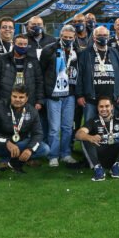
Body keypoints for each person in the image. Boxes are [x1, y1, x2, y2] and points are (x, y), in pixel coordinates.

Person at [0, 85, 50, 181]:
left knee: (44, 149)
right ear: (10, 96)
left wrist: (30, 149)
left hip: (19, 146)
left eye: (21, 97)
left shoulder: (32, 111)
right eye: (14, 96)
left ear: (27, 98)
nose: (17, 99)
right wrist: (6, 142)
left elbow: (38, 134)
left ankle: (14, 162)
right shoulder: (0, 108)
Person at [39, 25, 80, 166]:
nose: (68, 40)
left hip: (70, 94)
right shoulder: (48, 50)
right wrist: (44, 93)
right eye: (65, 37)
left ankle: (66, 154)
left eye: (70, 37)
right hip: (53, 95)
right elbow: (41, 72)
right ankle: (53, 155)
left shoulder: (77, 51)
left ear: (74, 37)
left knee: (68, 127)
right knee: (54, 128)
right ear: (60, 36)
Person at [75, 95, 119, 181]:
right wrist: (90, 137)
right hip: (99, 155)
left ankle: (117, 167)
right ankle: (98, 169)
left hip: (116, 155)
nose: (104, 109)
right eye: (101, 106)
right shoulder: (93, 121)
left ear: (112, 107)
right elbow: (78, 134)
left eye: (107, 106)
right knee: (85, 139)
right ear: (97, 108)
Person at [76, 26, 119, 123]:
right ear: (94, 37)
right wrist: (79, 95)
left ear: (108, 37)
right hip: (91, 99)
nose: (103, 37)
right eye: (99, 35)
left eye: (105, 35)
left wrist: (118, 93)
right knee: (90, 126)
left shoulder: (115, 53)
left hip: (111, 99)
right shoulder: (85, 53)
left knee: (111, 125)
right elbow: (79, 75)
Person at [0, 34, 44, 110]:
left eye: (25, 44)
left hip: (29, 102)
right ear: (13, 44)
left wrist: (39, 101)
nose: (23, 46)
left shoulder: (33, 60)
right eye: (20, 44)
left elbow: (39, 81)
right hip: (6, 101)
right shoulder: (2, 59)